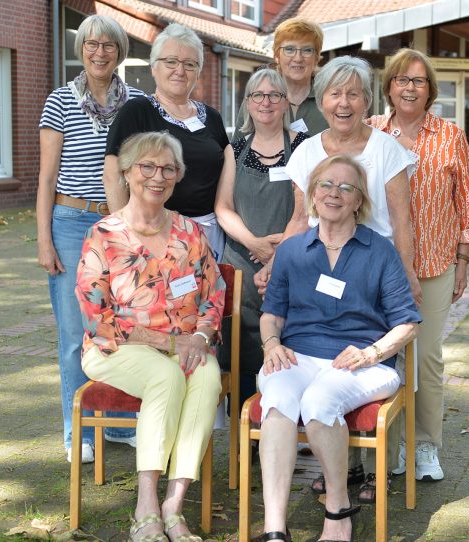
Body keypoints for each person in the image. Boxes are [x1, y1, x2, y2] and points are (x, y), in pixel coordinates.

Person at [253, 55, 419, 497]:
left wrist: (407, 274)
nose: (343, 103)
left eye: (353, 94)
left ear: (367, 100)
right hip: (318, 262)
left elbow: (402, 221)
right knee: (322, 357)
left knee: (362, 358)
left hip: (372, 268)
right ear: (319, 99)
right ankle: (338, 473)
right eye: (334, 93)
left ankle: (367, 469)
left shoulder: (388, 150)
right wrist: (276, 264)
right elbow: (297, 219)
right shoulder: (307, 152)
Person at [256, 155, 421, 542]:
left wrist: (372, 354)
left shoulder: (379, 250)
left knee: (318, 401)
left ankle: (338, 510)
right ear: (313, 194)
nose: (334, 194)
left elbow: (408, 322)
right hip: (298, 355)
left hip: (362, 362)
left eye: (346, 187)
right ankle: (274, 528)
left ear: (359, 200)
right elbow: (271, 314)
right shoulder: (294, 250)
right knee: (277, 397)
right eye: (326, 185)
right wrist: (271, 344)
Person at [76, 131, 225, 542]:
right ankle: (145, 505)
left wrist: (202, 335)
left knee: (208, 376)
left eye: (168, 168)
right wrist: (169, 344)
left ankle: (173, 507)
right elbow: (96, 316)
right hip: (115, 348)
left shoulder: (190, 232)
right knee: (167, 377)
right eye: (147, 166)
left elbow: (215, 292)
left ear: (178, 176)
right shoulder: (103, 235)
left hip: (185, 344)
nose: (157, 176)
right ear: (127, 172)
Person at [368, 48, 469, 484]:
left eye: (418, 81)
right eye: (401, 80)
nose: (409, 87)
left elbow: (465, 203)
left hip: (434, 264)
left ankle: (426, 446)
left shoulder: (450, 136)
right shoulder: (371, 132)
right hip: (377, 269)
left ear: (430, 90)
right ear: (389, 87)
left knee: (425, 359)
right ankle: (388, 449)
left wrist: (463, 260)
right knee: (382, 360)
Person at [36, 14, 142, 464]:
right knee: (74, 334)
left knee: (120, 329)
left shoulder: (135, 101)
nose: (100, 53)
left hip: (121, 226)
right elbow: (45, 178)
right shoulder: (60, 100)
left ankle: (117, 425)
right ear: (81, 50)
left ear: (119, 52)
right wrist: (44, 238)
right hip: (71, 222)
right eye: (91, 45)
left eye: (109, 45)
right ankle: (76, 432)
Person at [214, 69, 308, 405]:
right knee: (242, 351)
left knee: (290, 345)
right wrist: (255, 243)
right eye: (258, 95)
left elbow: (309, 208)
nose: (265, 102)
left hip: (293, 261)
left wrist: (280, 250)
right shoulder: (233, 149)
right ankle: (244, 441)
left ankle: (286, 427)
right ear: (248, 103)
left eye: (274, 95)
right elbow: (223, 208)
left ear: (286, 103)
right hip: (241, 263)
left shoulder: (304, 147)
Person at [104, 23, 233, 260]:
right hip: (153, 233)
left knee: (206, 296)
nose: (180, 70)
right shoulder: (137, 111)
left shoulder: (212, 117)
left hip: (209, 235)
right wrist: (128, 234)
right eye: (171, 61)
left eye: (189, 64)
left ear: (198, 70)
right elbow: (113, 175)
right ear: (154, 67)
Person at [233, 17, 327, 139]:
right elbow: (238, 149)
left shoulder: (329, 98)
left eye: (307, 50)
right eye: (289, 49)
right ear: (277, 54)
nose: (298, 58)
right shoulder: (257, 97)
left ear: (316, 57)